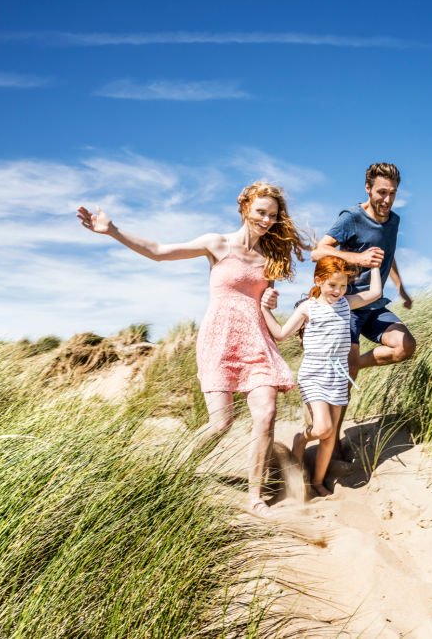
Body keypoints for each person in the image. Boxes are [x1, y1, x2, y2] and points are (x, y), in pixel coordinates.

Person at [76, 182, 311, 516]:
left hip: (257, 341)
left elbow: (263, 307)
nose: (266, 220)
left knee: (267, 414)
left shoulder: (269, 259)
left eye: (272, 215)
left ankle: (255, 496)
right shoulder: (216, 243)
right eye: (260, 212)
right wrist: (113, 231)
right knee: (221, 424)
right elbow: (158, 250)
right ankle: (174, 472)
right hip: (220, 339)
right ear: (244, 208)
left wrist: (270, 300)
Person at [312, 162, 417, 460]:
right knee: (345, 376)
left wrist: (401, 288)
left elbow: (388, 254)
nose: (386, 199)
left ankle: (356, 363)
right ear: (368, 188)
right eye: (381, 192)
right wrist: (356, 257)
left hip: (374, 305)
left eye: (392, 194)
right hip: (346, 306)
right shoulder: (351, 217)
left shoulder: (393, 222)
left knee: (404, 346)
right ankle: (332, 446)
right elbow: (318, 251)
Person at [260, 258, 382, 496]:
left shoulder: (346, 304)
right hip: (313, 373)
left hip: (338, 374)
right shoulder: (308, 307)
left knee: (330, 435)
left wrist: (376, 266)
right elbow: (282, 334)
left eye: (343, 286)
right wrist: (265, 309)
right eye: (332, 285)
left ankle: (315, 482)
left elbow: (375, 292)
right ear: (319, 280)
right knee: (322, 428)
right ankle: (300, 439)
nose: (338, 291)